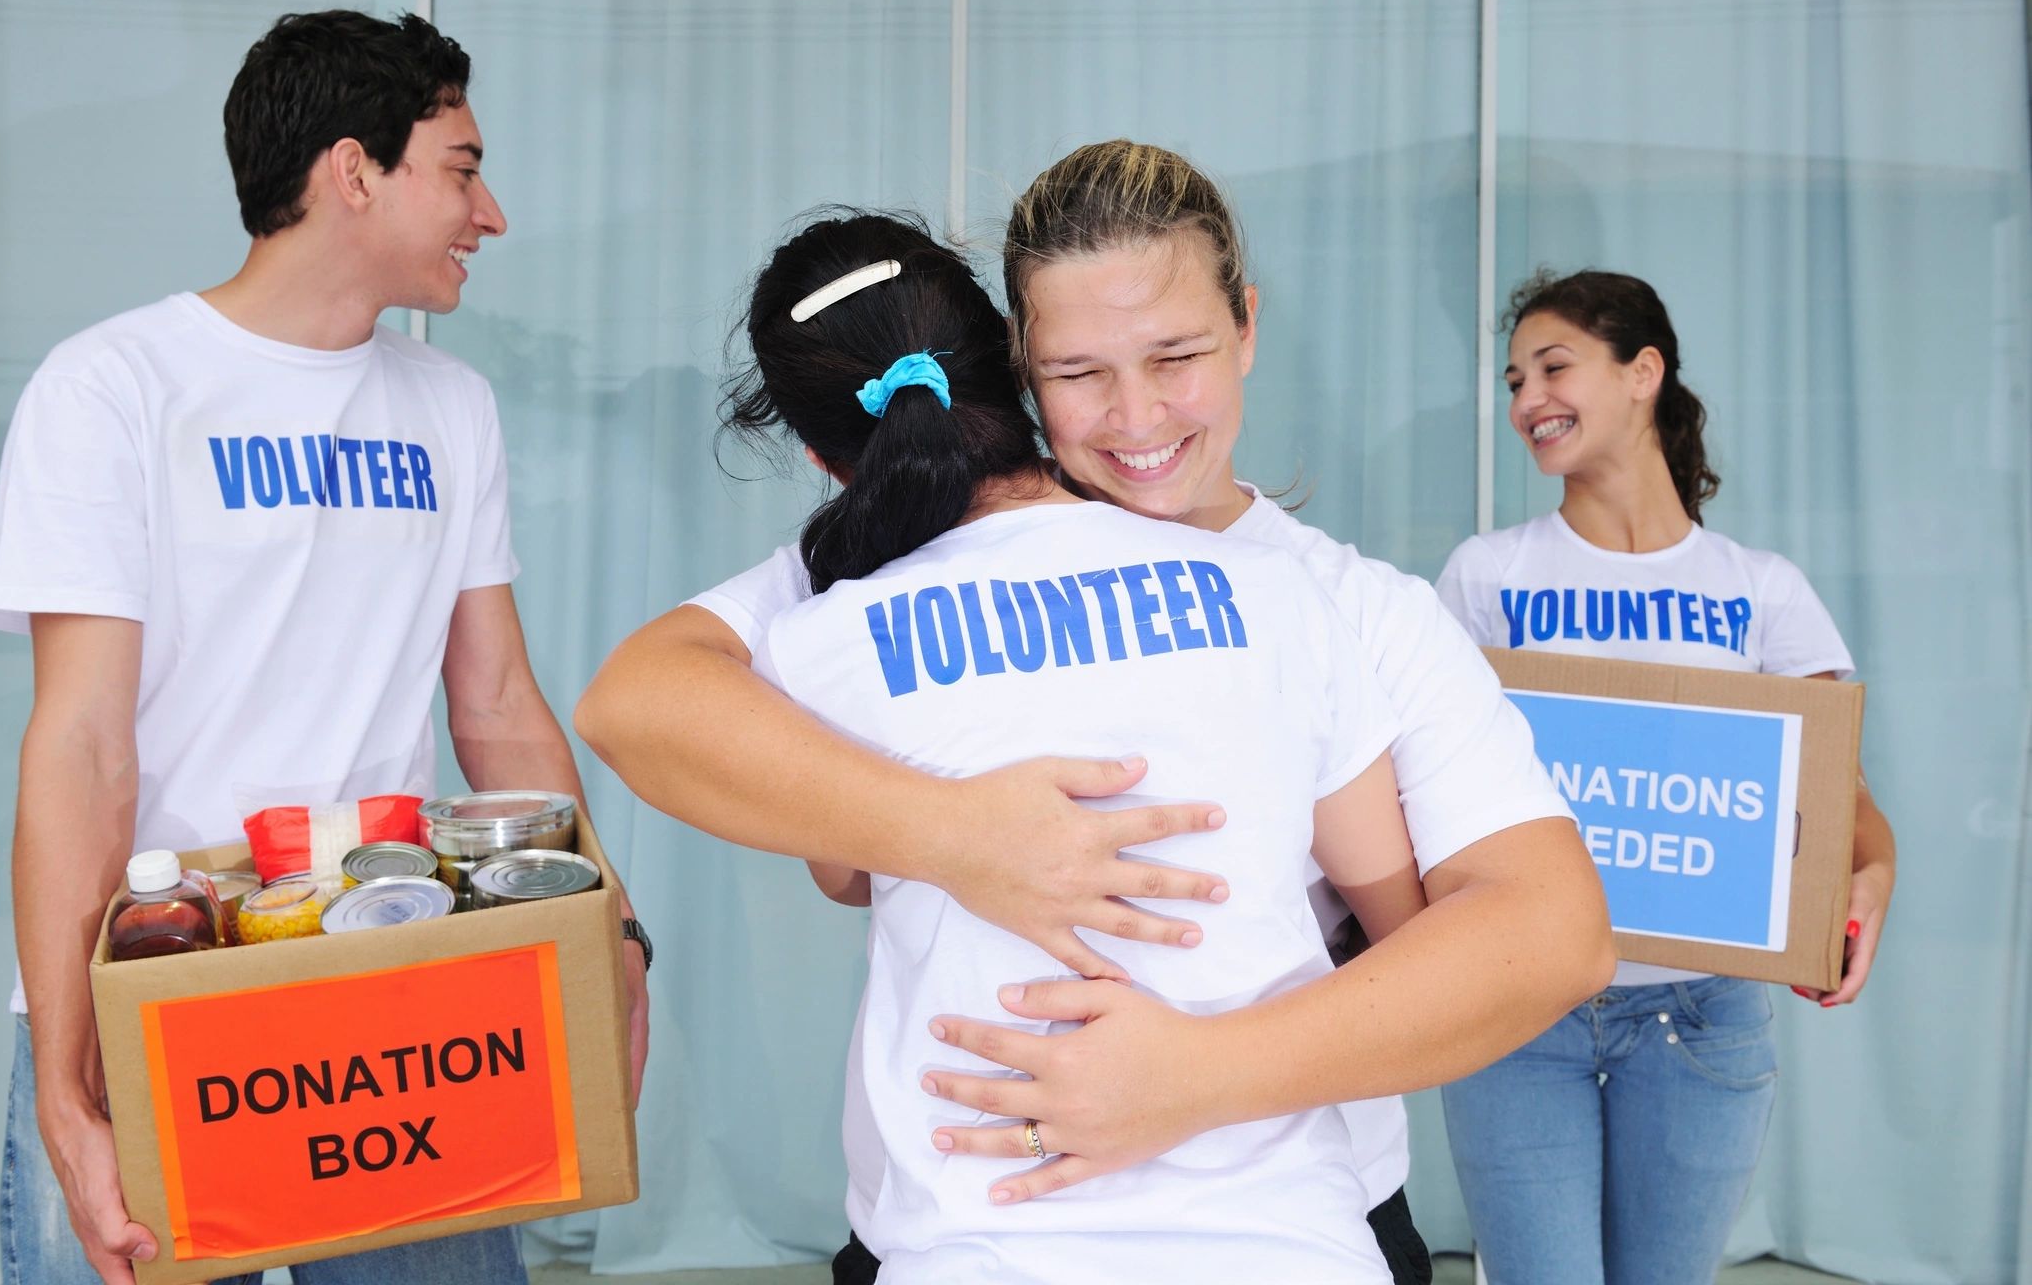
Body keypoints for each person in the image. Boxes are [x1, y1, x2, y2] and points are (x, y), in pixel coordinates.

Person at [576, 141, 1612, 1282]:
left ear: (1247, 327)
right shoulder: (891, 555)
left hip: (1283, 1216)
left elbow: (1546, 935)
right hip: (960, 1225)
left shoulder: (1344, 601)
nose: (1137, 416)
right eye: (1077, 374)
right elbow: (640, 700)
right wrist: (961, 835)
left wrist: (1196, 1076)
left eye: (1176, 355)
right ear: (1015, 372)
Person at [0, 10, 650, 1285]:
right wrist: (70, 1080)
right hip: (159, 983)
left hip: (404, 984)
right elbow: (80, 746)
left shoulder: (450, 405)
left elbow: (496, 701)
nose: (489, 212)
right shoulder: (113, 387)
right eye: (459, 167)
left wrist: (608, 927)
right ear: (354, 171)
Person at [726, 209, 1429, 1280]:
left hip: (977, 1240)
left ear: (826, 458)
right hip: (1287, 1241)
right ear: (1015, 378)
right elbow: (1398, 921)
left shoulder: (822, 640)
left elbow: (846, 874)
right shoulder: (1277, 591)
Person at [1433, 268, 1896, 1285]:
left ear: (1641, 372)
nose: (1524, 403)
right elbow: (1424, 792)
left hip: (1698, 1020)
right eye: (1512, 381)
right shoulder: (1485, 576)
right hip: (1521, 1003)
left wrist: (1864, 889)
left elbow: (1843, 809)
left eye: (1552, 368)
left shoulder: (1757, 591)